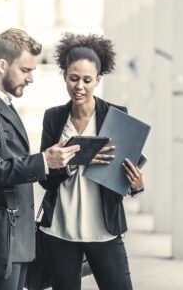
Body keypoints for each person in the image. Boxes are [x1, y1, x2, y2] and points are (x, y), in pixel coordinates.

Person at [0, 28, 80, 290]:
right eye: (25, 70)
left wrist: (54, 161)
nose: (32, 78)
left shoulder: (0, 103)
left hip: (12, 239)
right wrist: (44, 161)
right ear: (2, 65)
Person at [38, 33, 146, 290]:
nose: (79, 86)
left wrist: (137, 185)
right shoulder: (53, 118)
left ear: (98, 80)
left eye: (87, 80)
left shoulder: (116, 116)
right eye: (74, 78)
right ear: (64, 75)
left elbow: (126, 174)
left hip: (104, 231)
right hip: (59, 231)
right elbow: (45, 179)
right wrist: (72, 162)